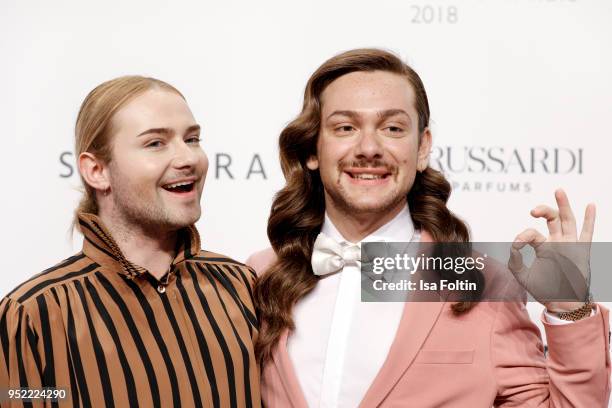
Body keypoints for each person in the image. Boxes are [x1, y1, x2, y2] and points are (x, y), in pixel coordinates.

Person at [248, 49, 610, 407]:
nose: (369, 148)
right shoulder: (260, 275)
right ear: (312, 149)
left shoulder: (483, 284)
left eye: (392, 128)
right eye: (345, 127)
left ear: (422, 148)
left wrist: (569, 309)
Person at [0, 76, 260, 408]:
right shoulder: (34, 314)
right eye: (155, 143)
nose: (189, 158)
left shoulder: (242, 287)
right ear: (96, 170)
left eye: (192, 139)